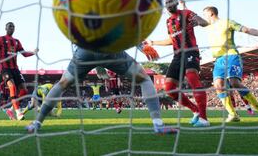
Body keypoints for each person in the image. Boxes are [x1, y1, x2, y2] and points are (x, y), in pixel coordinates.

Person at [25, 47, 178, 135]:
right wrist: (142, 45)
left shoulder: (81, 3)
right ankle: (157, 124)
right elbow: (128, 27)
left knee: (62, 83)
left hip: (86, 51)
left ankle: (37, 122)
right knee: (144, 79)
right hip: (111, 49)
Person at [147, 0, 210, 127]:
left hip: (190, 51)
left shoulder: (186, 13)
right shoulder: (169, 21)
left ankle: (204, 119)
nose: (168, 4)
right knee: (169, 88)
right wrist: (153, 42)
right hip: (177, 56)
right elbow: (171, 40)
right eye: (166, 2)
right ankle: (195, 110)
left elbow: (204, 22)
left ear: (176, 3)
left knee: (192, 76)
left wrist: (198, 22)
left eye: (170, 1)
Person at [203, 6, 258, 123]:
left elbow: (247, 30)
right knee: (218, 85)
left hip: (231, 56)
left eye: (204, 14)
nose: (204, 17)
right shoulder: (208, 26)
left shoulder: (227, 22)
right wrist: (183, 6)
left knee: (234, 82)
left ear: (211, 14)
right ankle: (232, 114)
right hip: (218, 60)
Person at [0, 22, 38, 120]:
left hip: (15, 69)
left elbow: (24, 54)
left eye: (13, 27)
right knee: (12, 87)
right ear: (6, 28)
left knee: (24, 91)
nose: (11, 28)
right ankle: (18, 113)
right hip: (5, 68)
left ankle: (11, 109)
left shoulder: (17, 41)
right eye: (10, 26)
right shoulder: (1, 39)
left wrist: (33, 52)